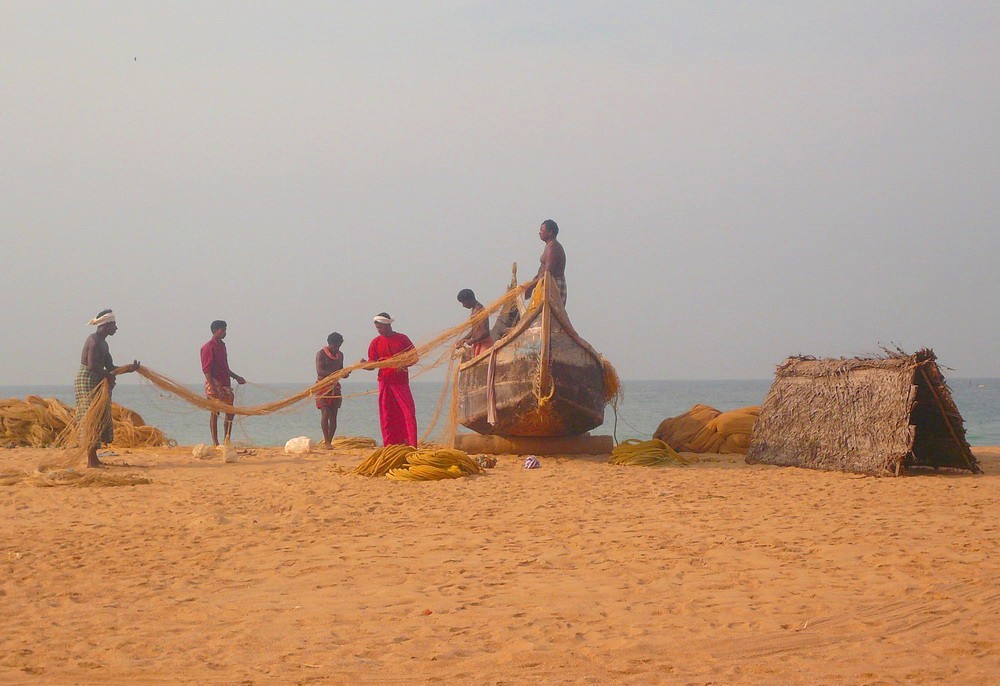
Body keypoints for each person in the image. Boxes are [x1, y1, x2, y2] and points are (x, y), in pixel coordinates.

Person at [75, 309, 139, 468]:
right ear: (106, 325)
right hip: (87, 380)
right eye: (114, 325)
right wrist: (108, 376)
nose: (116, 328)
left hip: (97, 378)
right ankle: (91, 460)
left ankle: (95, 458)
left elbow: (110, 367)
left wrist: (129, 368)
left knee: (100, 417)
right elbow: (91, 366)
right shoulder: (94, 341)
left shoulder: (103, 343)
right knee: (91, 417)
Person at [361, 313, 418, 447]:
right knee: (387, 414)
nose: (379, 330)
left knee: (407, 412)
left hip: (400, 382)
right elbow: (373, 364)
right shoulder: (376, 342)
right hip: (384, 381)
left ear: (388, 325)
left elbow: (414, 357)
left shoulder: (402, 339)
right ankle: (389, 444)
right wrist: (364, 365)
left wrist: (402, 364)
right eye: (377, 328)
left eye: (381, 327)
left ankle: (410, 443)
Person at [200, 320, 246, 446]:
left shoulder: (222, 346)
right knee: (215, 412)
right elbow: (206, 370)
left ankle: (227, 439)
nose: (225, 332)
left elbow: (225, 368)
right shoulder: (208, 347)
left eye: (225, 330)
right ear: (215, 331)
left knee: (230, 412)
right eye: (223, 330)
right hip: (214, 383)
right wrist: (213, 388)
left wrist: (236, 377)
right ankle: (215, 442)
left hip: (225, 383)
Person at [316, 332, 349, 449]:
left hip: (335, 388)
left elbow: (341, 371)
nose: (336, 349)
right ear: (329, 344)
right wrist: (335, 374)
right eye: (335, 346)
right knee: (325, 413)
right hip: (323, 387)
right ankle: (326, 441)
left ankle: (329, 441)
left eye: (339, 346)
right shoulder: (321, 354)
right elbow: (320, 371)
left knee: (334, 415)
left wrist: (345, 373)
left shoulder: (340, 355)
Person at [524, 218, 567, 304]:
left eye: (542, 230)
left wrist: (531, 286)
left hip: (554, 286)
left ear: (550, 232)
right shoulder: (549, 246)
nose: (539, 232)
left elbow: (547, 272)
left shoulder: (553, 247)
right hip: (546, 284)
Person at [456, 288, 493, 356]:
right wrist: (463, 340)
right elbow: (474, 330)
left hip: (484, 345)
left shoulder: (479, 310)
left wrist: (470, 341)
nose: (463, 305)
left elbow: (484, 333)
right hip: (478, 344)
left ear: (469, 299)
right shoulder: (474, 310)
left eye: (463, 302)